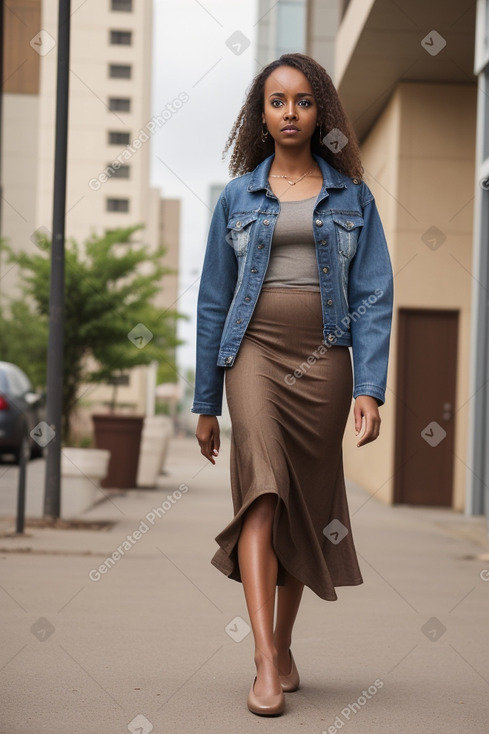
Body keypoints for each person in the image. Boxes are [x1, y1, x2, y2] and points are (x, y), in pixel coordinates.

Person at [192, 52, 393, 717]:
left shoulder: (351, 198)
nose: (288, 113)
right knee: (261, 492)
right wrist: (204, 402)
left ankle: (282, 643)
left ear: (320, 113)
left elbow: (372, 295)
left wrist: (370, 386)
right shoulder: (237, 196)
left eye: (302, 101)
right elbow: (212, 302)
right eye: (276, 101)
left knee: (302, 500)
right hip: (252, 352)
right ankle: (261, 660)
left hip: (325, 361)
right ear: (261, 114)